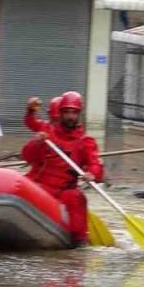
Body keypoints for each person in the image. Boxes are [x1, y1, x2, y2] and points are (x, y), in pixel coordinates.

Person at [20, 91, 102, 246]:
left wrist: (92, 173)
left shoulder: (85, 142)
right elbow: (28, 156)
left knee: (76, 197)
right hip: (40, 186)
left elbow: (95, 164)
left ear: (79, 114)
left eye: (74, 113)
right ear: (60, 113)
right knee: (24, 188)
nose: (70, 116)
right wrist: (36, 142)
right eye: (66, 112)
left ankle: (79, 244)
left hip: (63, 191)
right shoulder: (46, 131)